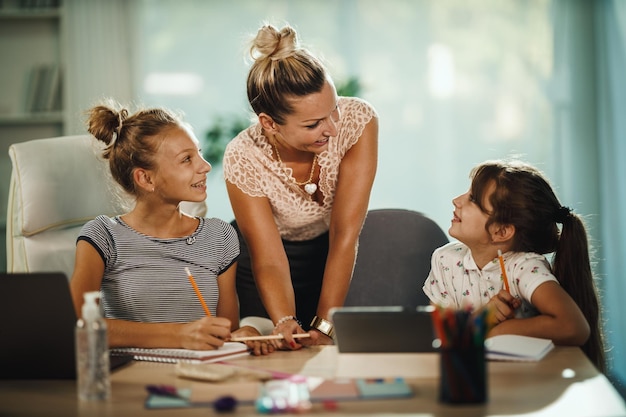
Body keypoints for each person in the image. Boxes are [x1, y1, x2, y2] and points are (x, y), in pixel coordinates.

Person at [69, 101, 274, 356]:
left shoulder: (220, 236)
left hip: (203, 377)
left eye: (198, 152)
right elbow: (79, 326)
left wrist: (243, 334)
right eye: (187, 159)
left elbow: (224, 332)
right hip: (132, 379)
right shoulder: (103, 236)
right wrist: (180, 335)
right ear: (146, 178)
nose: (205, 166)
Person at [222, 23, 379, 349]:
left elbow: (344, 234)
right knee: (278, 352)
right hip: (265, 264)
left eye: (333, 109)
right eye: (313, 124)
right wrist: (284, 320)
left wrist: (324, 325)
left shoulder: (357, 121)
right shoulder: (242, 155)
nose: (333, 128)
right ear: (269, 123)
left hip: (334, 257)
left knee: (331, 351)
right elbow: (268, 257)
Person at [423, 159, 605, 371]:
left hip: (523, 383)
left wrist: (502, 330)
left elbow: (574, 327)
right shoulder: (445, 260)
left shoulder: (524, 267)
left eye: (473, 199)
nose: (456, 200)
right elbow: (439, 337)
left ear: (501, 232)